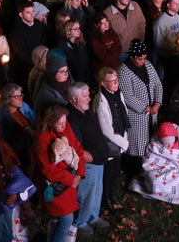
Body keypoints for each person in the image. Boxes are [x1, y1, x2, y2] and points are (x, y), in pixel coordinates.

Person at [35, 105, 84, 242]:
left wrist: (79, 173)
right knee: (66, 219)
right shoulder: (42, 138)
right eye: (60, 123)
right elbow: (47, 169)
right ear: (50, 122)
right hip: (57, 185)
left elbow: (78, 148)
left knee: (58, 218)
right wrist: (70, 179)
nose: (64, 125)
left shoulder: (66, 126)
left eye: (65, 121)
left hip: (70, 181)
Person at [66, 82, 110, 236]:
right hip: (88, 164)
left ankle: (93, 216)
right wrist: (90, 158)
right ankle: (80, 222)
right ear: (74, 99)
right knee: (85, 194)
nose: (89, 98)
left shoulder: (86, 111)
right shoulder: (71, 118)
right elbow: (75, 147)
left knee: (97, 190)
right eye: (85, 96)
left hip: (99, 160)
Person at [128, 122, 179, 206]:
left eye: (171, 142)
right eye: (166, 143)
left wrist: (177, 167)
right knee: (155, 181)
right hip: (159, 171)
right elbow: (148, 162)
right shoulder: (154, 147)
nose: (169, 146)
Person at [117, 39, 163, 177]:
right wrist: (146, 108)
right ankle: (131, 171)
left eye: (144, 58)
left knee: (150, 140)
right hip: (136, 116)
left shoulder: (148, 65)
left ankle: (147, 167)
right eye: (139, 59)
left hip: (152, 113)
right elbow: (128, 96)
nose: (142, 61)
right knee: (136, 144)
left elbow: (157, 85)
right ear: (132, 57)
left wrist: (157, 103)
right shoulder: (123, 71)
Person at [92, 67, 129, 212]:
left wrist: (124, 139)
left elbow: (123, 115)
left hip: (120, 140)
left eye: (116, 80)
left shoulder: (118, 94)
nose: (116, 83)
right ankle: (105, 198)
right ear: (103, 83)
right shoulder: (101, 100)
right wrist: (123, 143)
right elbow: (106, 129)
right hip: (109, 143)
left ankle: (113, 195)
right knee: (109, 172)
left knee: (115, 172)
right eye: (111, 81)